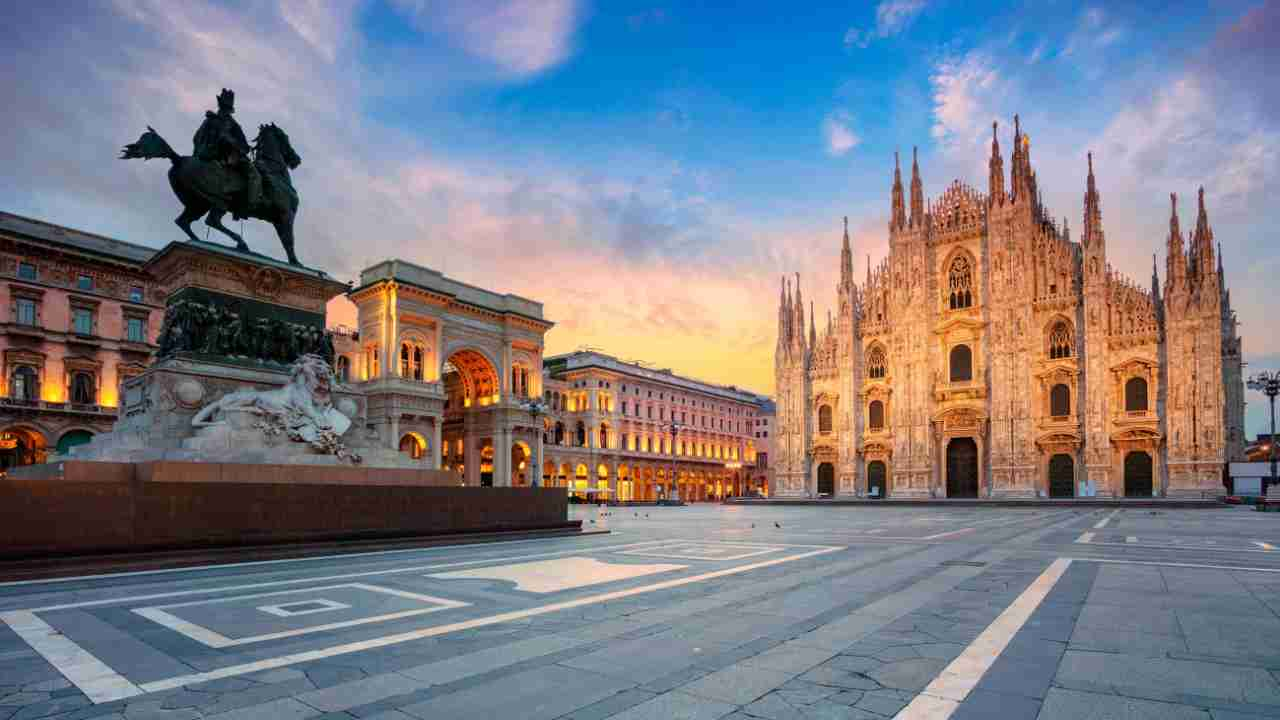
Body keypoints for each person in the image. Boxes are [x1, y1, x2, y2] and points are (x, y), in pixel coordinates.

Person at [193, 88, 261, 218]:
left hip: (206, 155)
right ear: (229, 108)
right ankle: (248, 206)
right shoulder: (231, 123)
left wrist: (199, 152)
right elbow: (242, 145)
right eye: (226, 106)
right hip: (228, 157)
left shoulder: (209, 120)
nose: (225, 109)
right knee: (254, 174)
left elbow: (196, 138)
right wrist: (240, 148)